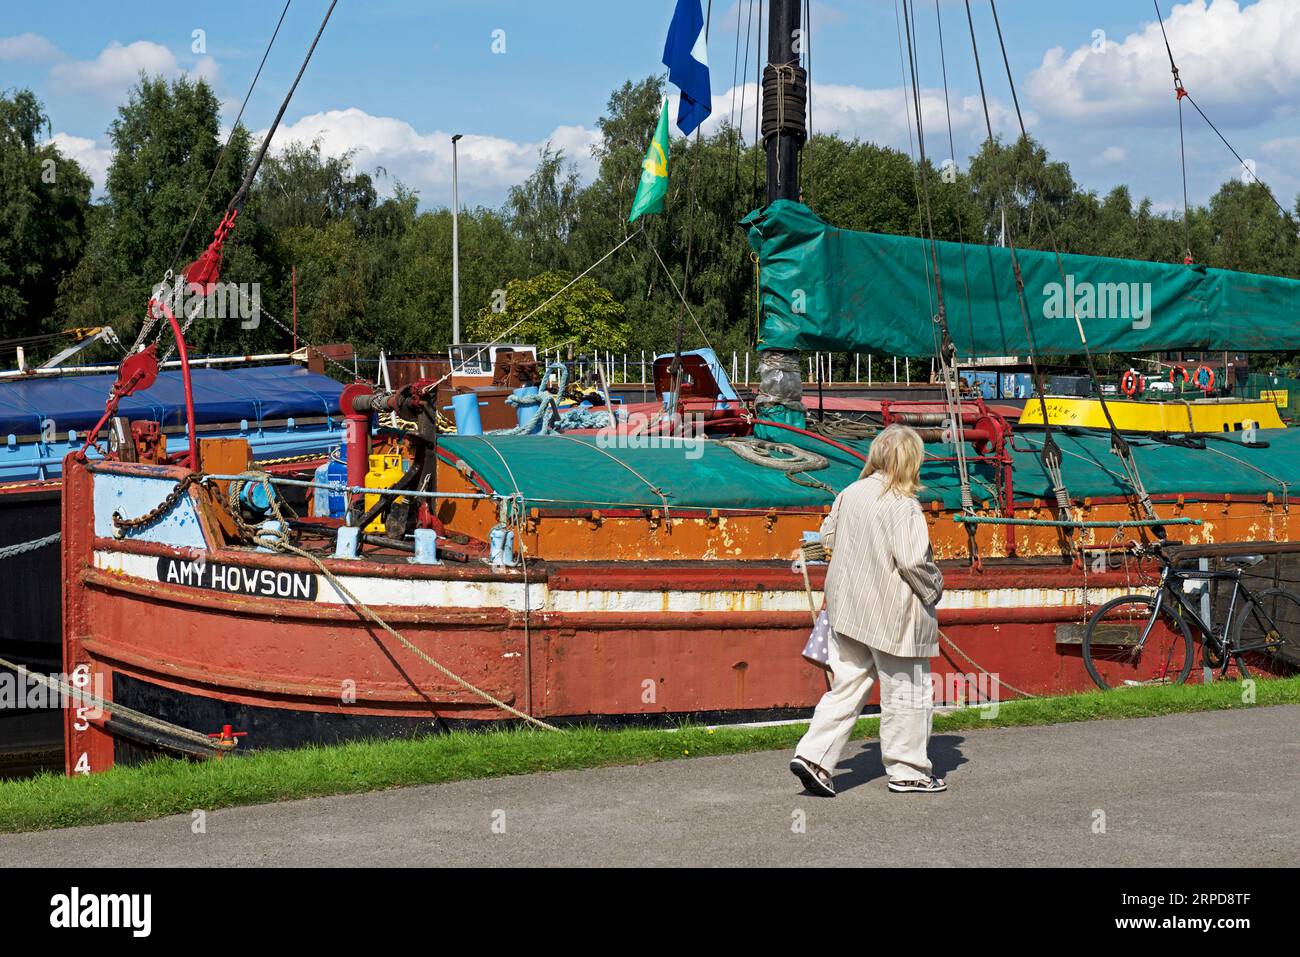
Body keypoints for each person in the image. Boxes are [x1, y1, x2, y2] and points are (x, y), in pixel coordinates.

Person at [790, 424, 947, 796]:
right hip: (893, 616)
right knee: (906, 692)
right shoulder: (903, 505)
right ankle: (908, 771)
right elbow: (912, 561)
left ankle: (814, 756)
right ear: (912, 461)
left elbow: (827, 538)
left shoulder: (850, 493)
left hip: (848, 610)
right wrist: (935, 589)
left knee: (847, 687)